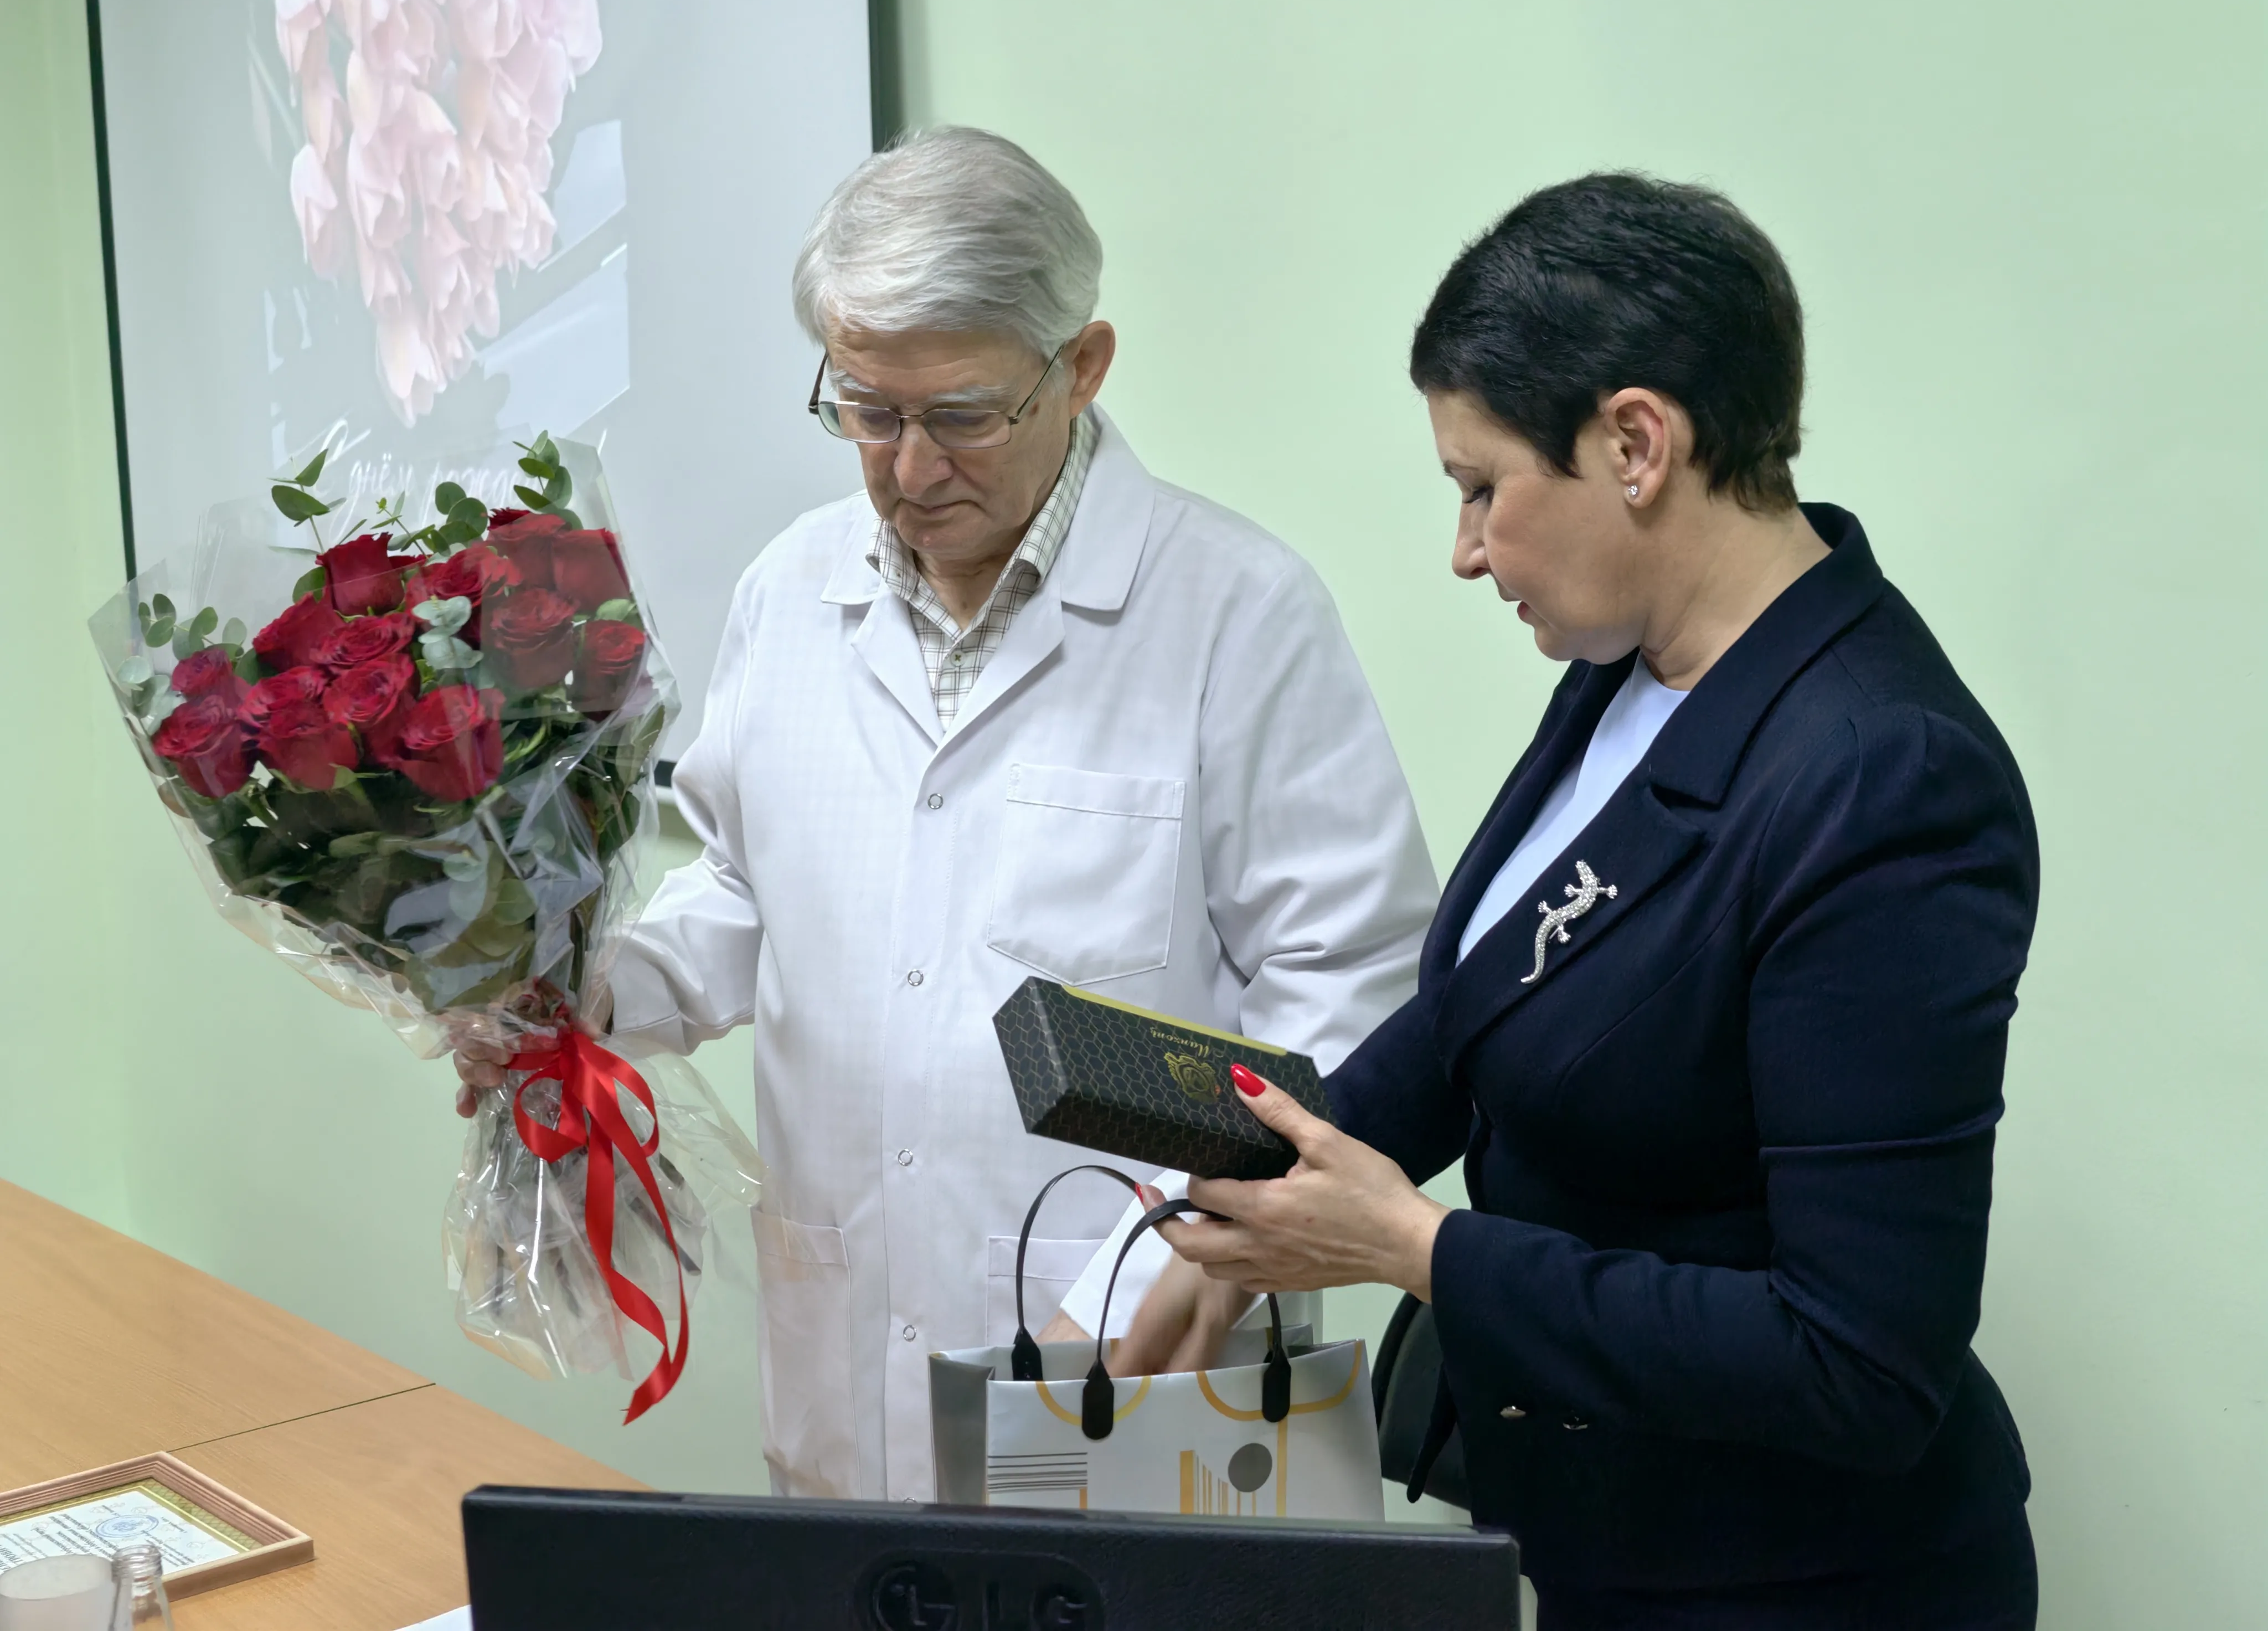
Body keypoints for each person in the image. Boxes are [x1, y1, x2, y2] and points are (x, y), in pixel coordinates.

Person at [457, 127, 1437, 1502]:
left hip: (1145, 1349)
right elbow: (743, 886)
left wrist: (1180, 1250)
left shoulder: (1237, 613)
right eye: (867, 411)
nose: (910, 468)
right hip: (847, 1353)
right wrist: (590, 1001)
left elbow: (1351, 988)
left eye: (962, 417)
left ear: (1081, 366)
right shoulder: (789, 592)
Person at [1122, 174, 2040, 1628]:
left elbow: (1858, 1364)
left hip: (1797, 1584)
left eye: (1481, 487)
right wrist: (1254, 1190)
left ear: (1634, 445)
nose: (1465, 549)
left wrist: (1413, 1250)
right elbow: (1486, 1009)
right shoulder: (1635, 668)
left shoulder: (1886, 779)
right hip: (1596, 1539)